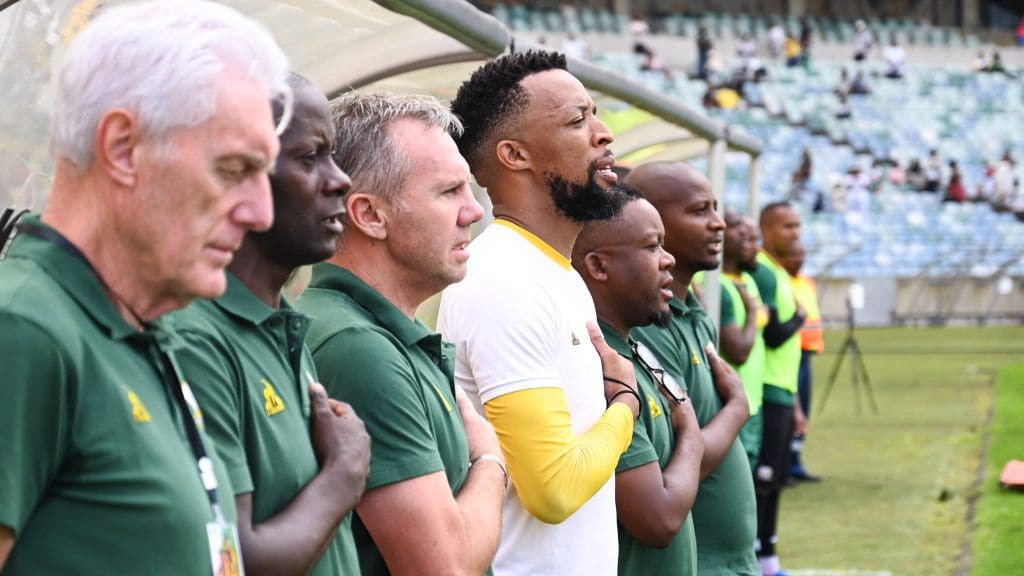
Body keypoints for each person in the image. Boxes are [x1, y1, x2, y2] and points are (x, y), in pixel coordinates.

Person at [0, 1, 289, 574]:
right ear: (123, 148)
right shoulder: (24, 330)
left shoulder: (143, 329)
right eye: (234, 169)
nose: (262, 212)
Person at [439, 50, 642, 575]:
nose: (604, 134)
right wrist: (625, 405)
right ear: (514, 154)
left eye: (595, 114)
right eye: (578, 119)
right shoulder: (502, 279)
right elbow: (550, 491)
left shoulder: (553, 272)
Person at [296, 91, 506, 576]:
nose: (473, 211)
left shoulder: (385, 334)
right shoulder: (358, 348)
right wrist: (491, 460)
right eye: (449, 192)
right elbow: (444, 566)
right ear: (370, 215)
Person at [171, 75, 371, 575]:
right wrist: (343, 476)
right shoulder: (197, 337)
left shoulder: (282, 325)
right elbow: (235, 559)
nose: (340, 179)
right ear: (238, 173)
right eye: (310, 157)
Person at [626, 162, 760, 576]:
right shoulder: (648, 329)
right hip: (702, 563)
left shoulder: (692, 313)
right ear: (654, 223)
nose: (718, 224)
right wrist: (738, 407)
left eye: (715, 208)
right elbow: (681, 461)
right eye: (700, 211)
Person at [573, 189, 704, 575]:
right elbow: (657, 520)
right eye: (652, 246)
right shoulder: (599, 367)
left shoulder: (633, 347)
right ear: (598, 266)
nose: (669, 260)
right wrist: (692, 437)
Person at [751, 201, 808, 576]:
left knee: (775, 481)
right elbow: (773, 335)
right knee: (765, 479)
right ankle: (759, 559)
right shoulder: (765, 273)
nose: (795, 233)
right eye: (787, 226)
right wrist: (799, 318)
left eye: (797, 226)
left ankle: (769, 558)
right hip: (768, 389)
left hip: (783, 389)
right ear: (766, 229)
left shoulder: (779, 272)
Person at [719, 213, 769, 471]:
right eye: (746, 237)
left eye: (756, 238)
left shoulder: (747, 280)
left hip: (753, 396)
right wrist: (752, 312)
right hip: (732, 401)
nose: (755, 246)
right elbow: (738, 351)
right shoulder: (719, 287)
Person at [781, 243, 823, 483]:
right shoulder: (782, 282)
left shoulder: (808, 282)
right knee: (791, 409)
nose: (800, 259)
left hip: (807, 353)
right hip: (789, 353)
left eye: (802, 254)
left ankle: (796, 461)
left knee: (803, 409)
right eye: (794, 254)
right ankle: (784, 463)